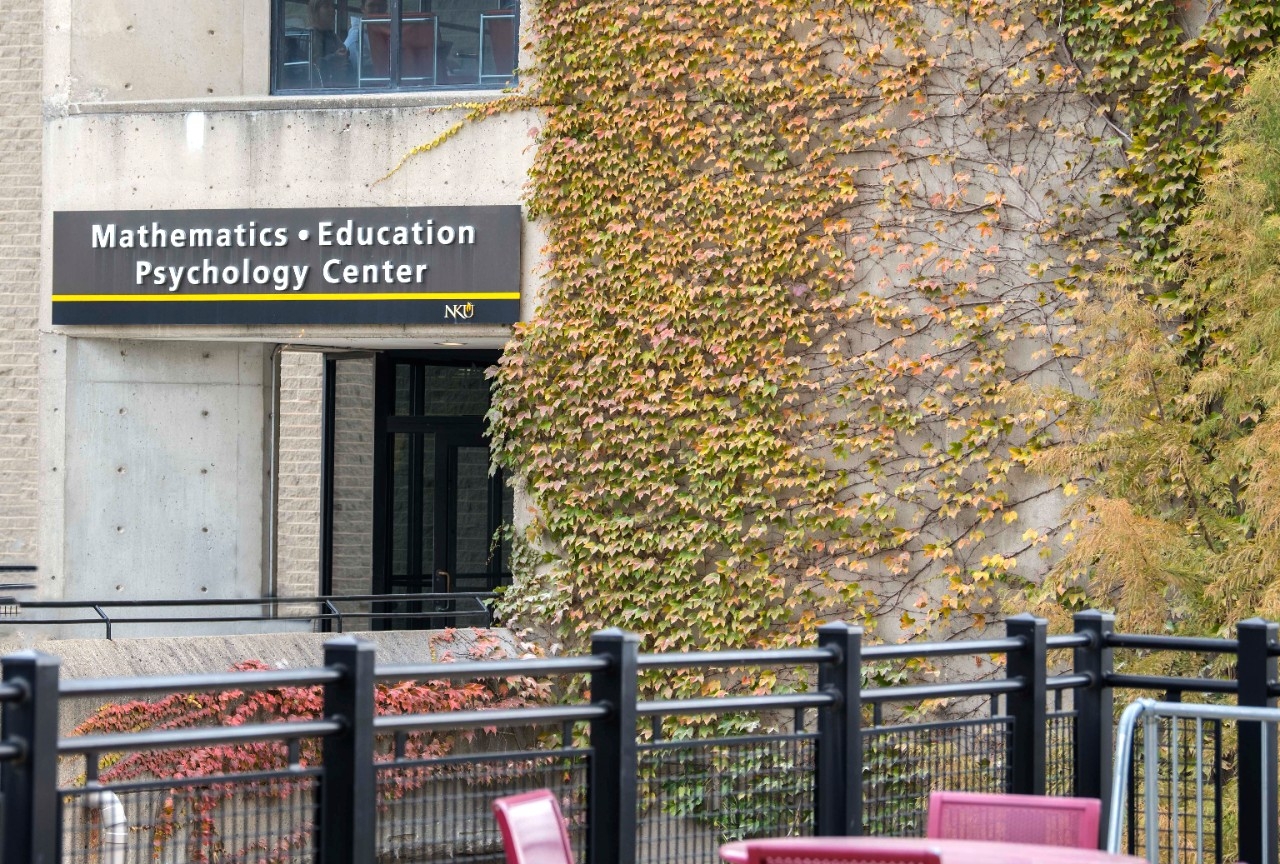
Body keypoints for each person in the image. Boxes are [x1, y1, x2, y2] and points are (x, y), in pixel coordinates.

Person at [307, 0, 353, 87]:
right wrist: (333, 59)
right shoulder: (309, 36)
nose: (332, 11)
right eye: (326, 7)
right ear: (315, 11)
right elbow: (310, 68)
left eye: (332, 7)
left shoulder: (332, 36)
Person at [345, 0, 389, 78]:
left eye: (381, 5)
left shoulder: (388, 31)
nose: (377, 10)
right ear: (362, 8)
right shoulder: (357, 37)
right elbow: (364, 71)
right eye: (372, 5)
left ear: (386, 7)